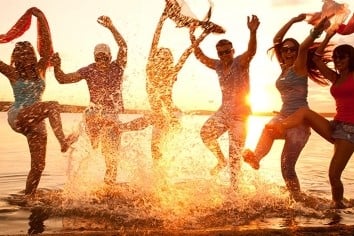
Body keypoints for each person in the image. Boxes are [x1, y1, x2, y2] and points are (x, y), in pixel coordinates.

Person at [243, 15, 331, 198]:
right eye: (285, 50)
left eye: (292, 50)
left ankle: (297, 200)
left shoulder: (299, 67)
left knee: (286, 167)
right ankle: (256, 158)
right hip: (283, 116)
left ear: (297, 52)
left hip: (299, 121)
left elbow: (305, 47)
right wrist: (292, 20)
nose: (288, 52)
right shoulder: (283, 67)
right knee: (268, 128)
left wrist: (317, 31)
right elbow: (276, 40)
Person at [268, 30, 354, 209]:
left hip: (351, 131)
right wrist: (329, 35)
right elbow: (316, 59)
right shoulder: (336, 78)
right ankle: (279, 126)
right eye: (336, 58)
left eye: (342, 58)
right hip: (335, 126)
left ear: (351, 59)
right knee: (304, 112)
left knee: (333, 174)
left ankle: (337, 206)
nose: (337, 61)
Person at [0, 7, 75, 197]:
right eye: (21, 54)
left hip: (37, 119)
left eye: (28, 53)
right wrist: (6, 37)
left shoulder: (41, 68)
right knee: (52, 105)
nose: (25, 56)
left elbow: (47, 48)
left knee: (39, 166)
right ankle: (63, 141)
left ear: (33, 55)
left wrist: (40, 17)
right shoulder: (13, 73)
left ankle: (28, 197)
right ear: (16, 58)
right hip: (19, 115)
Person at [51, 15, 128, 185]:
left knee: (112, 160)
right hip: (94, 113)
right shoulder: (89, 70)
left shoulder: (118, 67)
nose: (101, 60)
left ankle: (109, 187)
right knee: (92, 115)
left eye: (104, 57)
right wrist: (57, 66)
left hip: (111, 117)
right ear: (94, 57)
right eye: (98, 57)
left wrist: (112, 27)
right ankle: (76, 139)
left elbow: (123, 46)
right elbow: (63, 79)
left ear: (109, 56)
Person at [189, 15, 260, 186]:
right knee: (205, 134)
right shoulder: (218, 65)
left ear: (233, 51)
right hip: (224, 112)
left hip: (240, 117)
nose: (225, 55)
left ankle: (234, 192)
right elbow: (200, 56)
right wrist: (192, 35)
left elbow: (251, 52)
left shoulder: (240, 63)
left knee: (234, 156)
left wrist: (253, 32)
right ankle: (221, 161)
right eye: (221, 53)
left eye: (227, 51)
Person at [146, 2, 215, 161]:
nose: (161, 55)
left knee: (157, 150)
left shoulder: (167, 72)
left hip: (169, 115)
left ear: (167, 61)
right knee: (158, 151)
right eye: (160, 54)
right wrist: (162, 19)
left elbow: (187, 52)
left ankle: (163, 181)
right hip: (165, 115)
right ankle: (163, 182)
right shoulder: (153, 69)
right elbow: (155, 41)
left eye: (165, 55)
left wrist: (203, 35)